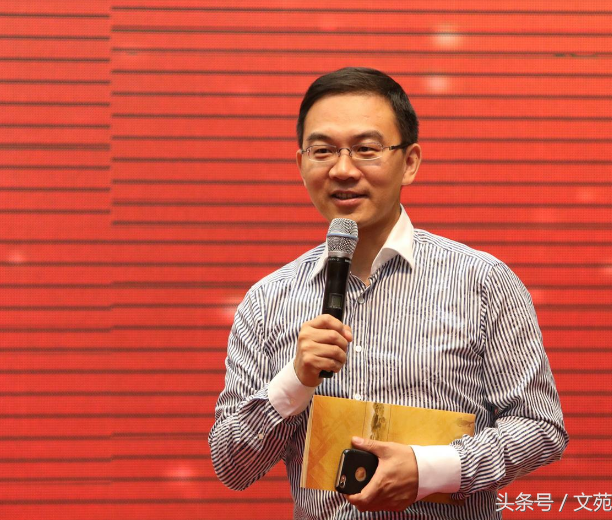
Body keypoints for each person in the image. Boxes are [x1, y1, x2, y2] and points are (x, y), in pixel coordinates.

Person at [209, 67, 568, 519]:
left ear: (410, 162)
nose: (343, 169)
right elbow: (232, 466)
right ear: (301, 164)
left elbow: (540, 427)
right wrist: (295, 381)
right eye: (323, 151)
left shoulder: (481, 282)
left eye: (366, 149)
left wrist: (430, 470)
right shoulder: (267, 302)